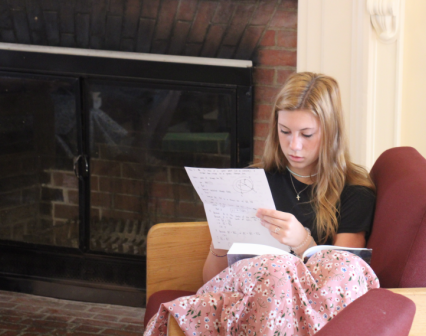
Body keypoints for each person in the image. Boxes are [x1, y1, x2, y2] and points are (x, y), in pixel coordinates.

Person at [144, 72, 379, 336]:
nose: (294, 145)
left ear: (331, 132)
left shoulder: (354, 192)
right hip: (245, 301)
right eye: (285, 131)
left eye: (307, 134)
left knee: (280, 270)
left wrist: (302, 241)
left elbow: (341, 284)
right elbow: (211, 281)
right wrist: (220, 239)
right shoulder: (253, 182)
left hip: (302, 313)